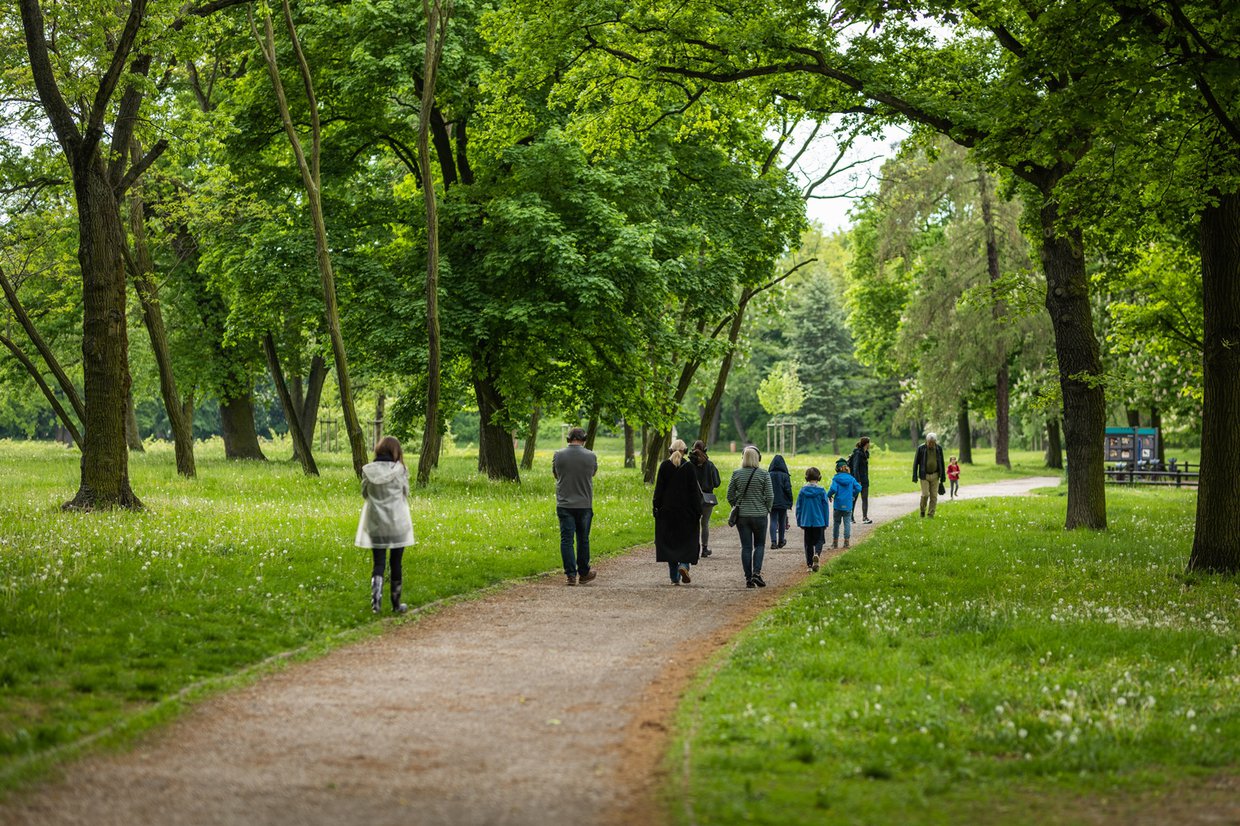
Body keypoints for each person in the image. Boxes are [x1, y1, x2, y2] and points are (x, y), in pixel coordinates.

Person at [355, 436, 415, 614]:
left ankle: (376, 605)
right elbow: (406, 492)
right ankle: (396, 605)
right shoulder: (400, 470)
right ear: (396, 451)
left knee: (378, 563)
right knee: (396, 563)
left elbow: (365, 493)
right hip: (398, 523)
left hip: (376, 523)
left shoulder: (368, 471)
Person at [653, 439, 705, 585]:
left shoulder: (664, 466)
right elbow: (694, 492)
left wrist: (656, 507)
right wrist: (698, 510)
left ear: (670, 450)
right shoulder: (689, 467)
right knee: (688, 541)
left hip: (667, 512)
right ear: (685, 451)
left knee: (670, 544)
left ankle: (674, 577)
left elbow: (659, 490)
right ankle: (684, 565)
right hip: (686, 513)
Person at [553, 426, 598, 585]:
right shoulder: (591, 456)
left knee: (566, 540)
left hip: (564, 504)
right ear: (584, 439)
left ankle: (570, 575)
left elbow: (556, 474)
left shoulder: (558, 455)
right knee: (583, 539)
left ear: (568, 439)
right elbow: (592, 473)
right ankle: (584, 573)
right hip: (584, 504)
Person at [726, 445, 774, 588]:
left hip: (742, 516)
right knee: (759, 545)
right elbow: (770, 496)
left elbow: (729, 495)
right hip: (760, 515)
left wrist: (736, 505)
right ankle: (756, 574)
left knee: (746, 547)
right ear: (757, 458)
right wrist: (766, 509)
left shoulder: (736, 474)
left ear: (743, 457)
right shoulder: (764, 474)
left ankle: (748, 578)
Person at [689, 440, 721, 558]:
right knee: (705, 523)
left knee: (693, 523)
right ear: (705, 450)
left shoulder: (689, 465)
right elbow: (717, 482)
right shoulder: (710, 465)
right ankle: (705, 548)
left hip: (692, 498)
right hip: (707, 498)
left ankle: (693, 548)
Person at [794, 467, 829, 572]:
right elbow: (825, 508)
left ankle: (809, 565)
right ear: (819, 478)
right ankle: (817, 554)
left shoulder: (802, 491)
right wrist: (826, 522)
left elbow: (798, 507)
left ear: (806, 478)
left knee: (808, 544)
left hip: (806, 521)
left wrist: (799, 521)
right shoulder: (822, 491)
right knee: (820, 540)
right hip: (819, 521)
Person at [828, 458, 863, 549]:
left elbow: (833, 489)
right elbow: (859, 488)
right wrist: (853, 494)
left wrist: (829, 495)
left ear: (838, 469)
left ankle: (835, 543)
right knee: (847, 523)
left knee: (836, 523)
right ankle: (846, 543)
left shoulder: (836, 478)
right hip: (848, 505)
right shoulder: (851, 479)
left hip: (838, 505)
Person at [913, 432, 947, 517]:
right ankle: (922, 510)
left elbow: (942, 463)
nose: (931, 444)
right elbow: (915, 463)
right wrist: (914, 475)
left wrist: (942, 477)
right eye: (929, 442)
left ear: (935, 441)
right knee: (925, 495)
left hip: (935, 475)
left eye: (932, 442)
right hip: (924, 475)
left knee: (934, 496)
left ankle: (931, 514)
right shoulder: (921, 448)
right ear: (926, 441)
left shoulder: (939, 448)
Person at [767, 454, 793, 548]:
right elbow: (788, 490)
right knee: (782, 521)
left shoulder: (769, 475)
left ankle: (773, 542)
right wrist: (790, 501)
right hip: (783, 502)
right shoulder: (785, 476)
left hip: (772, 502)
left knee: (773, 520)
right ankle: (781, 541)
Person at [849, 437, 873, 524]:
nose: (869, 445)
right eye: (869, 443)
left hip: (865, 479)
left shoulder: (865, 453)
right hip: (857, 480)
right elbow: (855, 468)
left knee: (865, 498)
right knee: (854, 498)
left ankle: (865, 517)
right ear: (866, 443)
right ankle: (850, 517)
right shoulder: (858, 453)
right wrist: (857, 480)